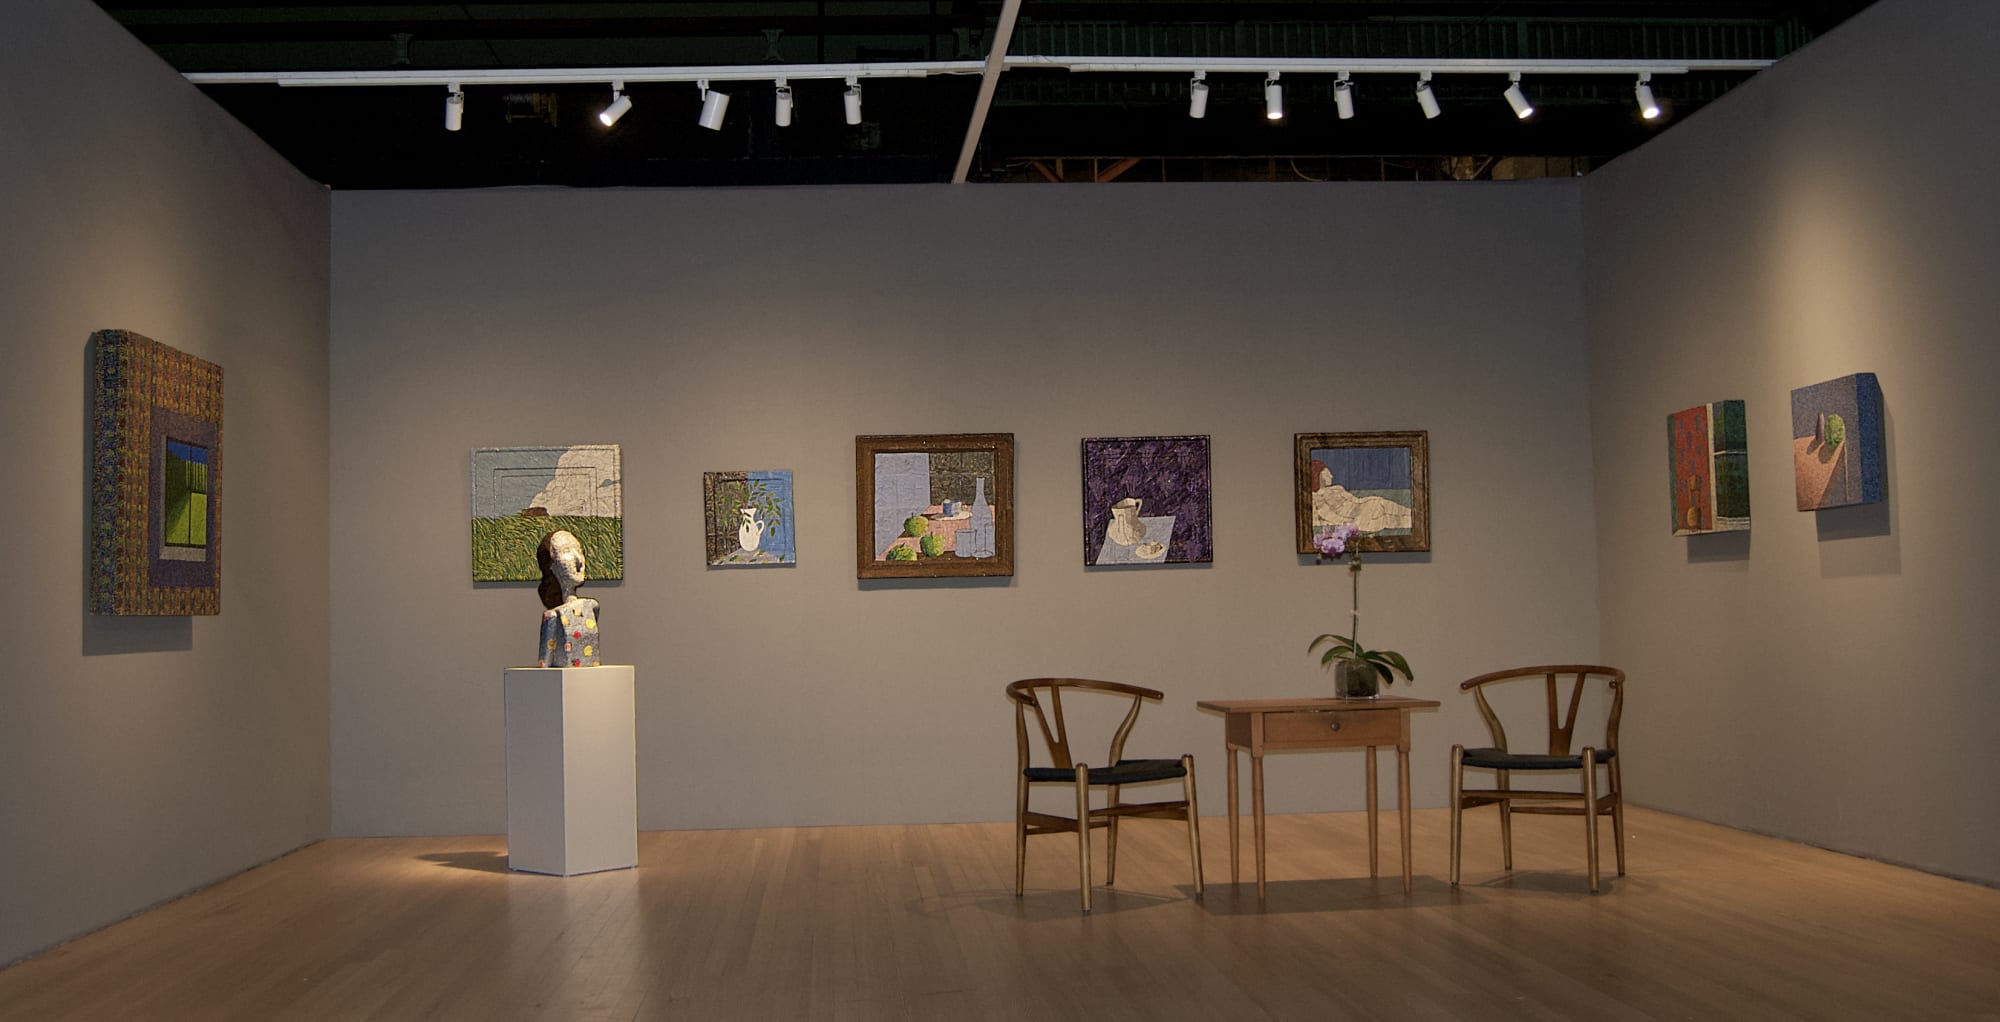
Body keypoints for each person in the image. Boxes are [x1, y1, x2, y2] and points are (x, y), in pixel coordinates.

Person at [535, 530, 601, 668]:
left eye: (579, 550)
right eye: (566, 551)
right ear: (552, 565)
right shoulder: (553, 616)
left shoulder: (591, 607)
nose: (578, 560)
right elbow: (545, 662)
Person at [1311, 464, 1412, 534]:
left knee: (1381, 503)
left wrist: (1369, 501)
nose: (1331, 476)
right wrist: (1343, 524)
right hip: (1354, 519)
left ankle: (1413, 514)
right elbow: (1320, 519)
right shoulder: (1316, 497)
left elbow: (1356, 501)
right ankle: (1413, 520)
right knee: (1386, 517)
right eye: (1327, 474)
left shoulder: (1337, 488)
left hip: (1363, 508)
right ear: (1318, 476)